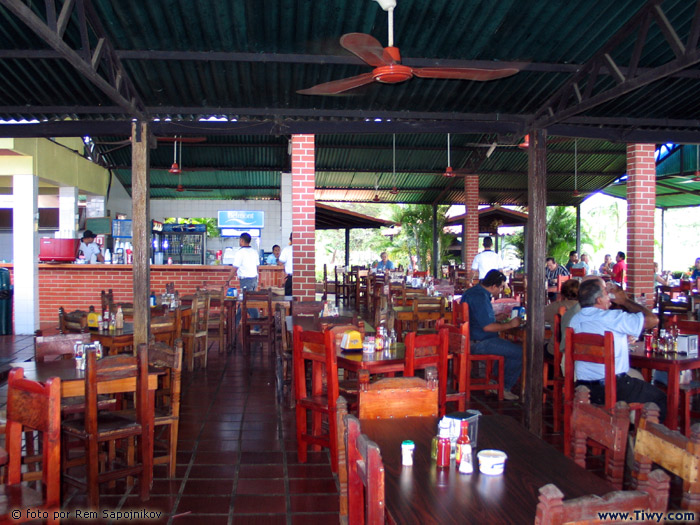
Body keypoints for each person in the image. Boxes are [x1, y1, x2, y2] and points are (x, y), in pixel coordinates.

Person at [569, 278, 666, 421]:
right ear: (598, 300)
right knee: (660, 398)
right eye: (606, 292)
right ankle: (643, 440)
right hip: (613, 387)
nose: (610, 295)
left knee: (637, 383)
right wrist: (624, 301)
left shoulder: (575, 319)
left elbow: (598, 339)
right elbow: (652, 320)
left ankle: (626, 432)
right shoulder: (612, 317)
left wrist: (620, 340)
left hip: (584, 387)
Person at [461, 269, 522, 401]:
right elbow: (487, 327)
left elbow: (477, 318)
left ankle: (495, 382)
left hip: (470, 338)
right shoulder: (480, 297)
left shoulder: (472, 292)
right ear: (493, 286)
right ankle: (504, 387)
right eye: (500, 287)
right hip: (478, 342)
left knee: (505, 346)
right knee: (520, 352)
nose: (501, 290)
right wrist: (510, 325)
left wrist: (495, 317)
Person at [226, 233, 260, 327]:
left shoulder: (240, 253)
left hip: (246, 281)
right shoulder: (254, 251)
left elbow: (235, 268)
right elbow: (257, 267)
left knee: (248, 303)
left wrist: (228, 280)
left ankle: (257, 326)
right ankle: (235, 323)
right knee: (245, 302)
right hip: (254, 280)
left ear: (241, 240)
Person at [544, 278, 579, 355]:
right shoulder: (585, 307)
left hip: (556, 351)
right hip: (577, 352)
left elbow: (538, 317)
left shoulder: (556, 306)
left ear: (562, 293)